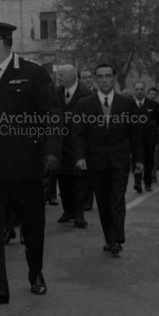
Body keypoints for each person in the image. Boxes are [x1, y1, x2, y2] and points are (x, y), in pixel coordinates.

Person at [0, 17, 61, 305]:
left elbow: (51, 114)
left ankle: (35, 273)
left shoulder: (33, 74)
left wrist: (51, 152)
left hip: (25, 164)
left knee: (32, 223)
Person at [72, 63, 143, 256]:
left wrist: (139, 160)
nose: (104, 80)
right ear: (95, 79)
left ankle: (117, 237)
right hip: (96, 161)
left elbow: (135, 134)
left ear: (114, 78)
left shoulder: (127, 103)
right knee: (103, 201)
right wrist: (80, 156)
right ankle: (109, 238)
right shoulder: (84, 104)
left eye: (108, 76)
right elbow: (78, 134)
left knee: (117, 197)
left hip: (120, 160)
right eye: (100, 76)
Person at [54, 64, 91, 229]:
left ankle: (79, 214)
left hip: (79, 144)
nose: (58, 77)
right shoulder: (56, 93)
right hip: (61, 144)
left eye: (61, 75)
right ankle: (67, 211)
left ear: (71, 76)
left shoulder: (86, 94)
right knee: (63, 179)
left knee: (79, 180)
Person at [132, 80, 159, 194]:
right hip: (135, 139)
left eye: (141, 89)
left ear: (145, 90)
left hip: (149, 138)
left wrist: (150, 127)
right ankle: (137, 182)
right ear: (133, 91)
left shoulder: (153, 104)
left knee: (149, 161)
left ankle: (148, 183)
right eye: (137, 89)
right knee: (136, 160)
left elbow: (158, 119)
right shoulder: (129, 104)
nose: (139, 91)